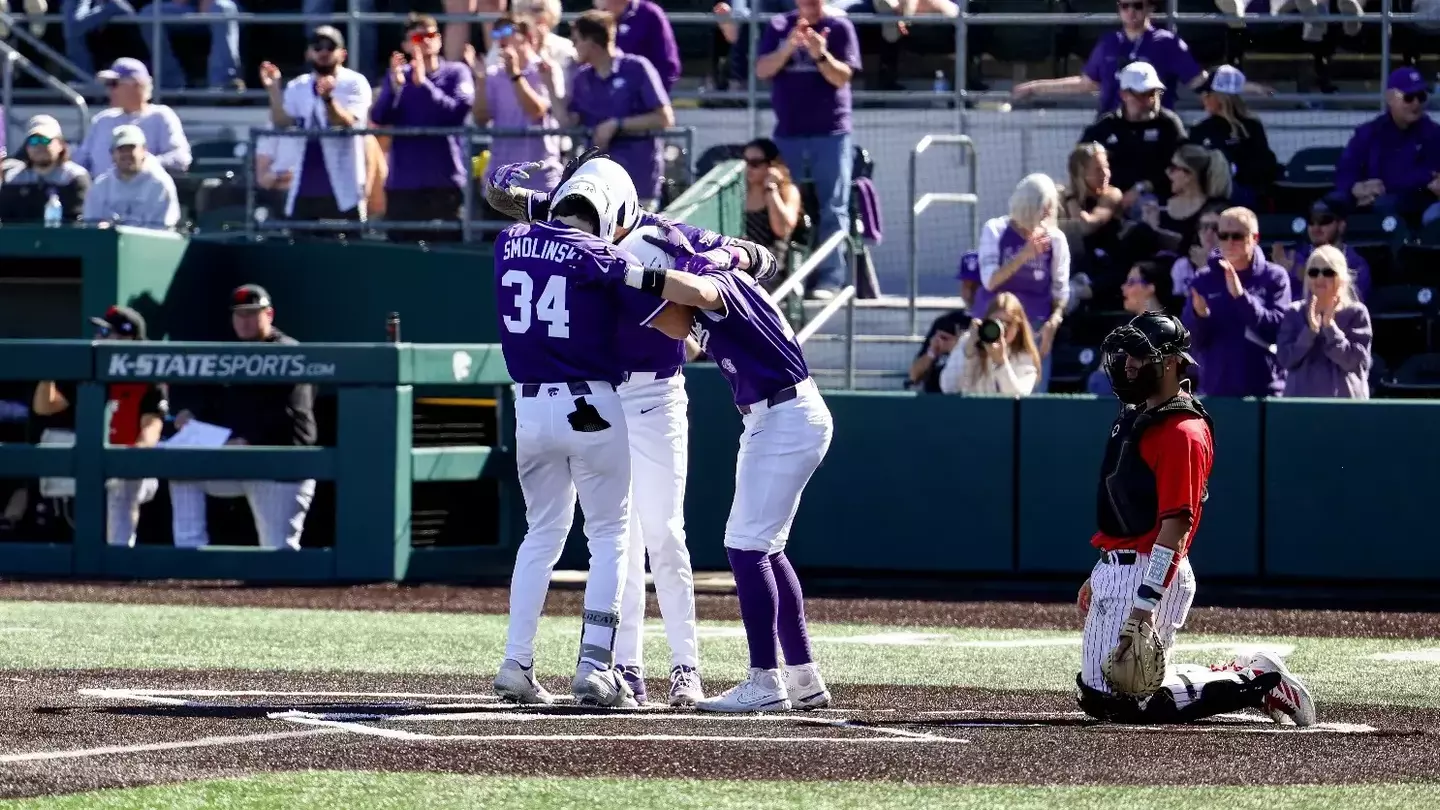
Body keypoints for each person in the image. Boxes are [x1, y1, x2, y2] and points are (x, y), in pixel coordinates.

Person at [486, 151, 781, 708]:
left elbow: (514, 205)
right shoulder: (593, 240)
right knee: (614, 539)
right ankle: (613, 664)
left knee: (650, 534)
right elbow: (676, 314)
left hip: (617, 395)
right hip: (599, 396)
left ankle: (677, 666)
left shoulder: (531, 238)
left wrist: (724, 259)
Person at [1076, 311, 1316, 727]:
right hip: (1121, 565)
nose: (1128, 365)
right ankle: (1241, 673)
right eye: (1126, 355)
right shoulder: (1138, 414)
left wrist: (1144, 604)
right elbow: (1126, 509)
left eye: (1139, 356)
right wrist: (1102, 570)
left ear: (1171, 362)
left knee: (1119, 699)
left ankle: (1256, 679)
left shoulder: (1182, 430)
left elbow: (1176, 526)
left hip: (1150, 569)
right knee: (1105, 692)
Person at [635, 224, 834, 714]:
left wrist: (630, 274)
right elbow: (683, 329)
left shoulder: (708, 276)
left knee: (746, 547)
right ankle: (803, 676)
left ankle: (765, 680)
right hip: (783, 413)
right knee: (767, 548)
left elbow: (700, 291)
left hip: (783, 414)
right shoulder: (713, 271)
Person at [489, 159, 648, 709]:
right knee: (609, 535)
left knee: (540, 535)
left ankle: (516, 661)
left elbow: (531, 218)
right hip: (591, 403)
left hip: (530, 407)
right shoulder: (602, 255)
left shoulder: (508, 241)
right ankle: (596, 666)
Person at [168, 286, 319, 551]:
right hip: (240, 461)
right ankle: (191, 555)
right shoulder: (234, 353)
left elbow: (290, 418)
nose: (244, 321)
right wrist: (193, 414)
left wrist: (248, 440)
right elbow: (220, 403)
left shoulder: (288, 352)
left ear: (269, 314)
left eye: (252, 313)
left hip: (279, 466)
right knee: (183, 470)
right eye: (239, 314)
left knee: (278, 555)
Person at [30, 306, 165, 548]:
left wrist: (134, 455)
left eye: (106, 332)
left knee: (123, 488)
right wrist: (47, 374)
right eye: (99, 331)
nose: (98, 336)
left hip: (128, 463)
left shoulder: (147, 375)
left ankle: (119, 557)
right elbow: (45, 407)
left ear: (127, 338)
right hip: (90, 458)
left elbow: (151, 427)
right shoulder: (88, 367)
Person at [755, 0, 862, 300]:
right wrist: (788, 47)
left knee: (833, 208)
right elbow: (762, 70)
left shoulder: (840, 27)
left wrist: (820, 54)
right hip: (788, 133)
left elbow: (842, 77)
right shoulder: (778, 26)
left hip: (831, 132)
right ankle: (789, 275)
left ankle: (830, 278)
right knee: (785, 204)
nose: (809, 4)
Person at [370, 14, 475, 244]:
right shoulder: (398, 76)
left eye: (431, 35)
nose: (426, 41)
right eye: (418, 37)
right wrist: (393, 88)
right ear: (406, 45)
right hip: (404, 185)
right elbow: (379, 117)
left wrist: (424, 85)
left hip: (445, 183)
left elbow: (457, 113)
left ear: (439, 39)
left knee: (448, 252)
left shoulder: (457, 72)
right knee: (401, 255)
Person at [556, 10, 675, 211]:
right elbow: (568, 123)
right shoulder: (581, 78)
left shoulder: (637, 68)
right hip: (596, 189)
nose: (573, 46)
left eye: (576, 40)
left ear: (591, 42)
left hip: (637, 183)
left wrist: (617, 125)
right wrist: (550, 85)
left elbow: (664, 118)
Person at [261, 26, 373, 228]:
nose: (323, 52)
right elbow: (282, 123)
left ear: (343, 53)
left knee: (347, 245)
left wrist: (328, 100)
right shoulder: (298, 86)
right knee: (299, 244)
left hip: (343, 190)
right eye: (317, 47)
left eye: (330, 47)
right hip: (303, 188)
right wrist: (274, 90)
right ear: (308, 53)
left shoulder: (355, 82)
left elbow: (346, 122)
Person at [1012, 0, 1207, 116]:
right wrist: (1035, 87)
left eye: (1138, 5)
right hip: (1112, 125)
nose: (1130, 11)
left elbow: (1198, 81)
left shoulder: (1167, 42)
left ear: (1150, 7)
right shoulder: (1109, 42)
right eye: (1124, 6)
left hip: (1153, 126)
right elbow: (1086, 83)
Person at [1182, 206, 1291, 398]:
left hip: (1265, 391)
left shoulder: (1274, 277)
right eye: (1224, 236)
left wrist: (1241, 297)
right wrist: (1201, 317)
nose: (1230, 242)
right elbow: (1193, 341)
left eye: (1237, 236)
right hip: (1216, 392)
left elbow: (1277, 331)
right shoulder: (1203, 279)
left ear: (1255, 238)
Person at [976, 173, 1070, 392]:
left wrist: (1054, 321)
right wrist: (1024, 256)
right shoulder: (995, 230)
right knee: (988, 388)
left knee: (1031, 392)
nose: (1048, 213)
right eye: (1043, 206)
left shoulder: (1056, 240)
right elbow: (990, 281)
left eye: (1050, 207)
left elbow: (1060, 292)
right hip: (994, 323)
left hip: (1034, 329)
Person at [467, 15, 564, 196]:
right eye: (496, 33)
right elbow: (480, 118)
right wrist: (480, 82)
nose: (500, 38)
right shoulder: (492, 75)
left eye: (507, 31)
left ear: (528, 37)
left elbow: (536, 112)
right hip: (502, 183)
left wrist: (515, 76)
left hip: (540, 181)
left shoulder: (545, 69)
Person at [1330, 67, 1440, 226]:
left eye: (1421, 96)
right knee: (1332, 203)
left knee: (1388, 204)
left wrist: (1384, 186)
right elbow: (1345, 170)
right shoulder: (1369, 132)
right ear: (1390, 99)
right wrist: (1356, 187)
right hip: (1370, 202)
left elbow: (1427, 175)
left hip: (1416, 204)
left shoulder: (1433, 134)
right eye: (1409, 97)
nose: (1416, 103)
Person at [1078, 63, 1188, 211]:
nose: (1150, 101)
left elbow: (1185, 167)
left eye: (1153, 94)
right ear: (1124, 95)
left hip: (1158, 201)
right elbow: (1080, 161)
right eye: (1142, 95)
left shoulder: (1168, 124)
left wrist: (1144, 187)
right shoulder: (1106, 126)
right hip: (1109, 199)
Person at [1276, 245, 1372, 399]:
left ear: (1341, 278)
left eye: (1328, 272)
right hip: (1300, 405)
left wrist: (1330, 328)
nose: (1320, 278)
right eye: (1314, 272)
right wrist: (1309, 332)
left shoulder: (1357, 313)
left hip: (1345, 405)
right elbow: (1285, 359)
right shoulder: (1294, 312)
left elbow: (1355, 362)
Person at [75, 59, 192, 177]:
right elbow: (81, 161)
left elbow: (180, 158)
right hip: (101, 188)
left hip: (146, 187)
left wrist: (139, 165)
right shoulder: (101, 120)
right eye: (108, 85)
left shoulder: (161, 116)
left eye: (114, 84)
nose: (109, 90)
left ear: (137, 85)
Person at [1188, 65, 1280, 207]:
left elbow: (1265, 166)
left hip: (1244, 195)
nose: (1203, 99)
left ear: (1221, 97)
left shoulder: (1251, 126)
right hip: (1208, 196)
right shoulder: (1200, 129)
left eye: (1207, 94)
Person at [938, 292, 1041, 397]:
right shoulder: (969, 340)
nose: (1002, 329)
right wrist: (968, 352)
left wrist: (1001, 363)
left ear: (1018, 327)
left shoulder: (1024, 355)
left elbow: (1019, 396)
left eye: (1008, 323)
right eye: (997, 322)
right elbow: (948, 387)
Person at [81, 125, 181, 231]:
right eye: (121, 149)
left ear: (144, 150)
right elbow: (90, 225)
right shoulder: (100, 185)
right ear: (112, 154)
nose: (126, 154)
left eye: (131, 148)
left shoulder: (160, 185)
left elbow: (162, 230)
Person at [1272, 200, 1371, 303]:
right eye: (1311, 221)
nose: (1316, 227)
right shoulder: (1294, 259)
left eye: (1324, 221)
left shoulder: (1356, 264)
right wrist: (1279, 277)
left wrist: (1307, 277)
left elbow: (1353, 301)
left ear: (1341, 226)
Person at [0, 115, 90, 224]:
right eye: (33, 140)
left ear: (61, 144)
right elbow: (6, 220)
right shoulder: (13, 178)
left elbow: (77, 222)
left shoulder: (74, 177)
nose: (39, 146)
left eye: (45, 140)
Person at [741, 138, 803, 275]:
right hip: (739, 261)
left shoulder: (787, 191)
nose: (748, 168)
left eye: (755, 164)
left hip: (771, 265)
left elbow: (782, 229)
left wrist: (771, 190)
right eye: (745, 162)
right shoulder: (738, 192)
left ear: (771, 165)